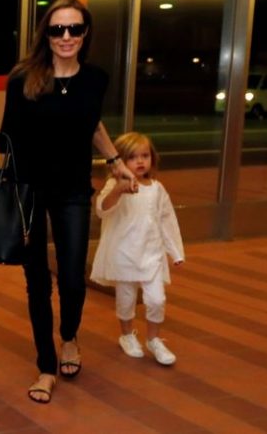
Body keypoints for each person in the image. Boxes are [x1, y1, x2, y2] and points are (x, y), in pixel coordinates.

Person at [0, 0, 136, 404]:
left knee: (73, 277)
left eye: (74, 28)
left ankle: (69, 336)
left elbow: (92, 123)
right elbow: (8, 139)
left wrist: (115, 161)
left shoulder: (95, 79)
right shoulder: (23, 79)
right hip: (28, 189)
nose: (66, 36)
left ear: (85, 33)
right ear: (46, 34)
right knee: (37, 282)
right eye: (58, 29)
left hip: (73, 190)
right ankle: (45, 365)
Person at [90, 132, 184, 365]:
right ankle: (127, 335)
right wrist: (118, 190)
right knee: (126, 299)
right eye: (132, 157)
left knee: (156, 299)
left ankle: (154, 339)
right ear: (120, 161)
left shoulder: (157, 189)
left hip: (152, 254)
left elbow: (167, 220)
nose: (140, 161)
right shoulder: (115, 185)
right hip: (124, 254)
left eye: (145, 156)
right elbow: (102, 209)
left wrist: (175, 252)